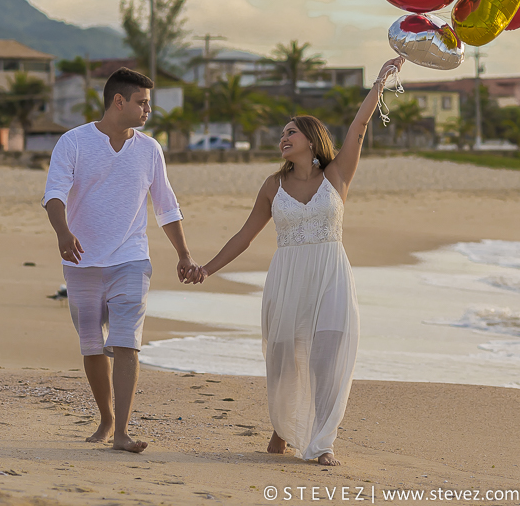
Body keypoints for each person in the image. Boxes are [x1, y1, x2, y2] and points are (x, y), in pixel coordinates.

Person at [193, 56, 404, 466]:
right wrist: (207, 268)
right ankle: (283, 428)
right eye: (282, 134)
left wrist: (379, 81)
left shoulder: (338, 174)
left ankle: (322, 442)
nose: (283, 138)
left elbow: (359, 127)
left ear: (311, 137)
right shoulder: (273, 186)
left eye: (291, 132)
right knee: (286, 355)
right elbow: (244, 235)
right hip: (288, 276)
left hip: (331, 273)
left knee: (328, 351)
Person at [43, 67, 203, 453]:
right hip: (81, 262)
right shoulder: (74, 142)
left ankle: (122, 432)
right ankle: (106, 417)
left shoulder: (150, 149)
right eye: (142, 103)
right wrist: (63, 233)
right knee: (91, 346)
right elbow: (54, 195)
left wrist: (184, 254)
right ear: (119, 101)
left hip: (131, 258)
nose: (148, 110)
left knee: (128, 342)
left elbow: (166, 205)